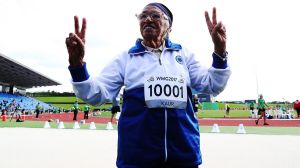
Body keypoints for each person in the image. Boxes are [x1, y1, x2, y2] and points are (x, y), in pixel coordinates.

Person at [66, 3, 231, 167]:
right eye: (143, 16)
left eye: (155, 16)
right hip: (137, 157)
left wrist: (220, 50)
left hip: (183, 155)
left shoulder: (184, 55)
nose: (148, 19)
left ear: (169, 27)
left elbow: (213, 85)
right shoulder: (126, 58)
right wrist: (77, 65)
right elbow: (95, 95)